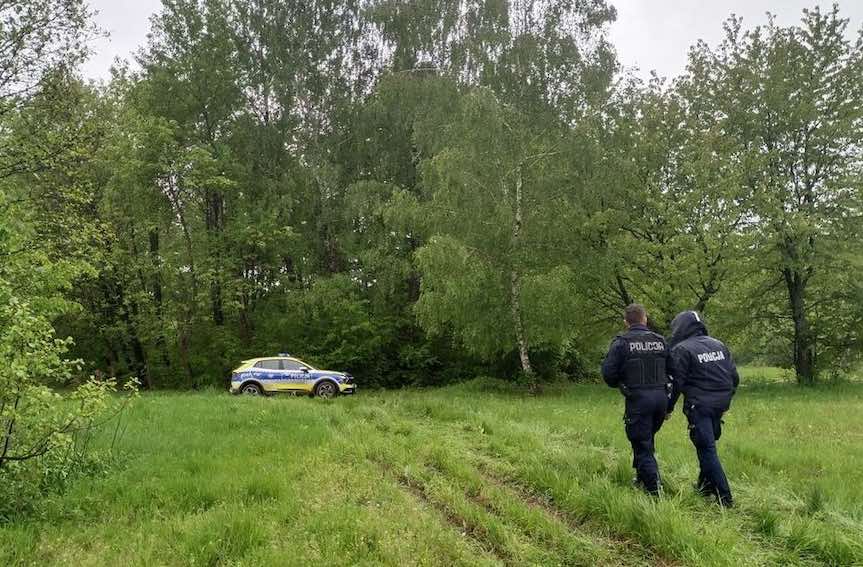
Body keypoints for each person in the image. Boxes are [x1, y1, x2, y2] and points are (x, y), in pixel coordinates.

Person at [667, 310, 739, 507]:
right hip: (721, 403)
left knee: (707, 449)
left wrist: (668, 408)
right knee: (706, 444)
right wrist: (727, 400)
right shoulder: (719, 345)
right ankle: (704, 487)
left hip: (700, 405)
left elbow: (676, 383)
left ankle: (725, 499)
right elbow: (734, 377)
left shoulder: (682, 349)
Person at [601, 303, 673, 495]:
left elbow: (608, 374)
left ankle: (654, 493)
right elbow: (673, 370)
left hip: (639, 400)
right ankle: (641, 478)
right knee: (646, 440)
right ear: (645, 319)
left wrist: (622, 384)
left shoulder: (622, 343)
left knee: (642, 445)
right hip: (660, 399)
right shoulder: (661, 341)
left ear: (626, 322)